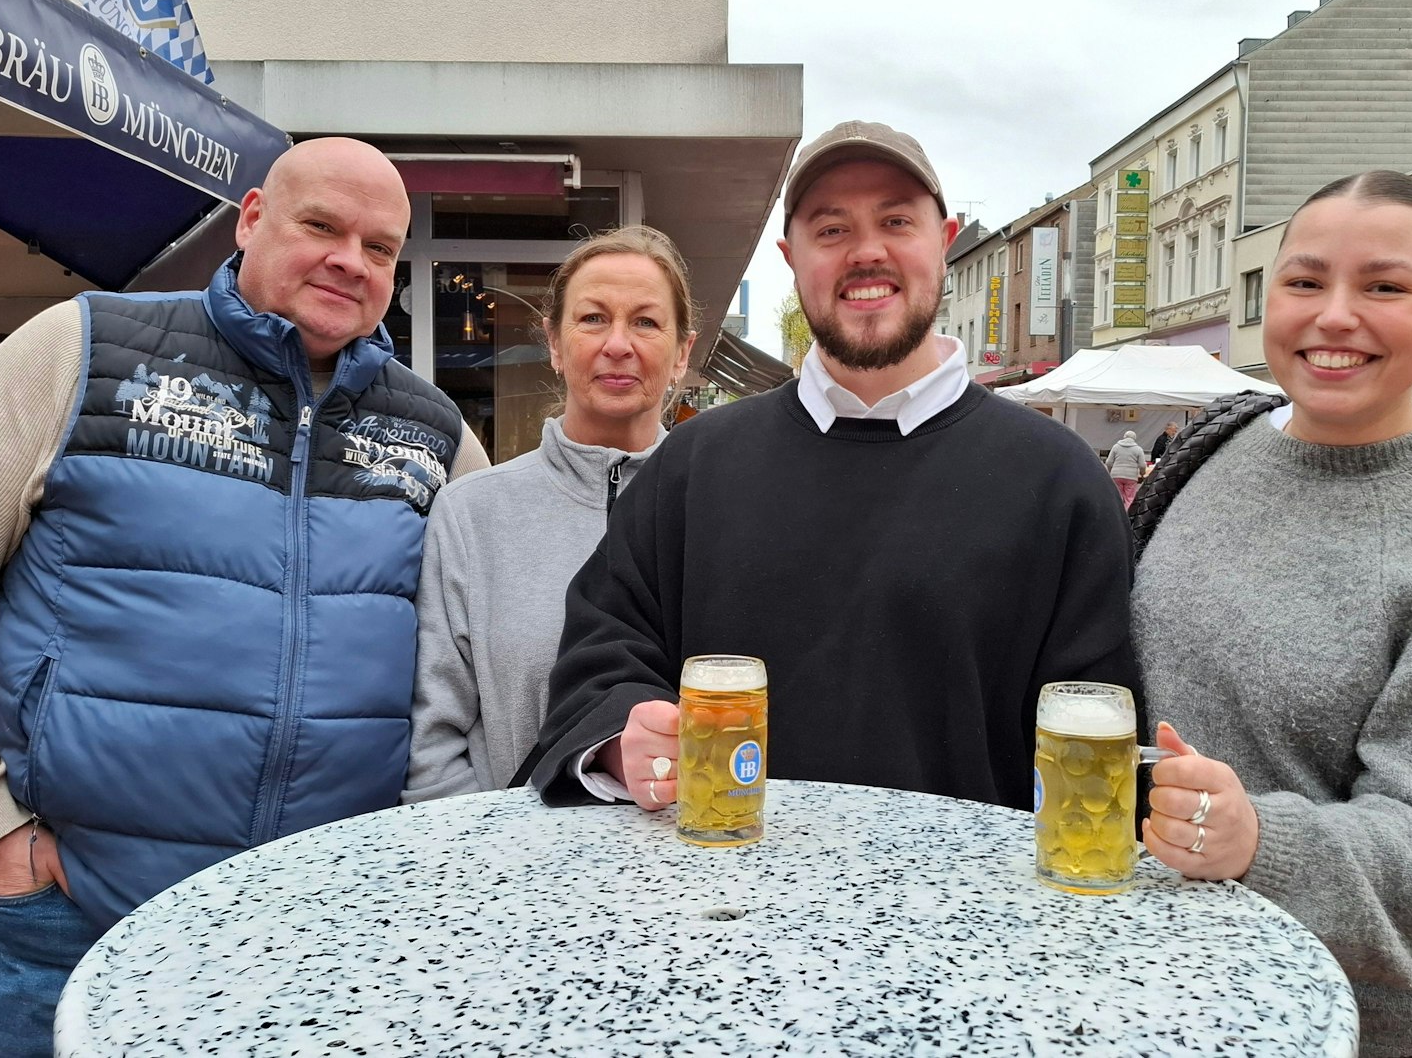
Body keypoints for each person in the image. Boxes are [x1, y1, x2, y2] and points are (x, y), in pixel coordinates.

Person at [0, 137, 487, 1058]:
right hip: (72, 920)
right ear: (253, 218)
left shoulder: (431, 430)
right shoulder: (81, 349)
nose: (351, 260)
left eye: (380, 248)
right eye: (322, 227)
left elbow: (477, 651)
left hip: (327, 934)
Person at [519, 120, 1137, 811]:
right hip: (723, 905)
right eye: (832, 229)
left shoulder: (1060, 483)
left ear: (945, 238)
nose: (866, 252)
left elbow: (1105, 743)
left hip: (967, 911)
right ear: (791, 256)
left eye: (896, 220)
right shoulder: (693, 467)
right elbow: (603, 659)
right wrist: (621, 738)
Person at [1132, 171, 1412, 1057]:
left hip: (1408, 1031)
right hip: (1207, 992)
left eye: (1384, 287)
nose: (1335, 316)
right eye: (1305, 282)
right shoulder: (1208, 457)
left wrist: (1261, 839)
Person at [405, 226, 697, 799]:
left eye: (645, 321)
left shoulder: (722, 512)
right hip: (513, 869)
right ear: (555, 345)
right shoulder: (472, 513)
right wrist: (496, 867)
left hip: (700, 869)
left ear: (682, 351)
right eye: (592, 319)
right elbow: (431, 743)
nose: (618, 344)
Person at [1104, 428, 1148, 509]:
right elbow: (1142, 465)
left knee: (1117, 497)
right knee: (1130, 498)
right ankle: (1128, 516)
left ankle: (1118, 515)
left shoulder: (1116, 447)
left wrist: (1111, 471)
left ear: (1124, 437)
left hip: (1116, 476)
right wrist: (1142, 474)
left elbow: (1109, 462)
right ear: (1134, 438)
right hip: (1131, 477)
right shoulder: (1138, 449)